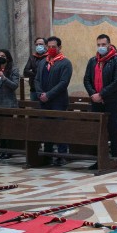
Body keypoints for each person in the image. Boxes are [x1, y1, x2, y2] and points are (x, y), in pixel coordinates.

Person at [83, 34, 117, 169]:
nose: (101, 47)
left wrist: (101, 94)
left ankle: (114, 159)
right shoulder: (93, 61)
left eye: (103, 45)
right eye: (98, 45)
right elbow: (86, 79)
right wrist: (93, 94)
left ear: (109, 45)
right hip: (96, 101)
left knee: (112, 129)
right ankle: (100, 159)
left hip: (112, 100)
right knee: (98, 130)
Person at [35, 36, 73, 166]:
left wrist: (49, 95)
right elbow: (37, 80)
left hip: (58, 101)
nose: (51, 49)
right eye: (49, 47)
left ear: (59, 47)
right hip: (44, 101)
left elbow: (63, 83)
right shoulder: (43, 62)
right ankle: (48, 155)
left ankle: (62, 155)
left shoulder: (65, 63)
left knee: (59, 128)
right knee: (46, 128)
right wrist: (40, 93)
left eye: (54, 47)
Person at [0, 49, 19, 160]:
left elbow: (14, 85)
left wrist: (4, 78)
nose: (0, 57)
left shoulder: (13, 69)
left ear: (8, 57)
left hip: (8, 103)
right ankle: (1, 150)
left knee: (7, 128)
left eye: (3, 56)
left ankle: (8, 151)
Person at [23, 37, 47, 102]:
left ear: (46, 45)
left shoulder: (49, 57)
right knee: (34, 106)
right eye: (37, 44)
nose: (38, 46)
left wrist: (33, 73)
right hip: (34, 88)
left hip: (46, 89)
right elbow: (25, 71)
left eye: (41, 44)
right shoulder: (32, 57)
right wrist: (38, 75)